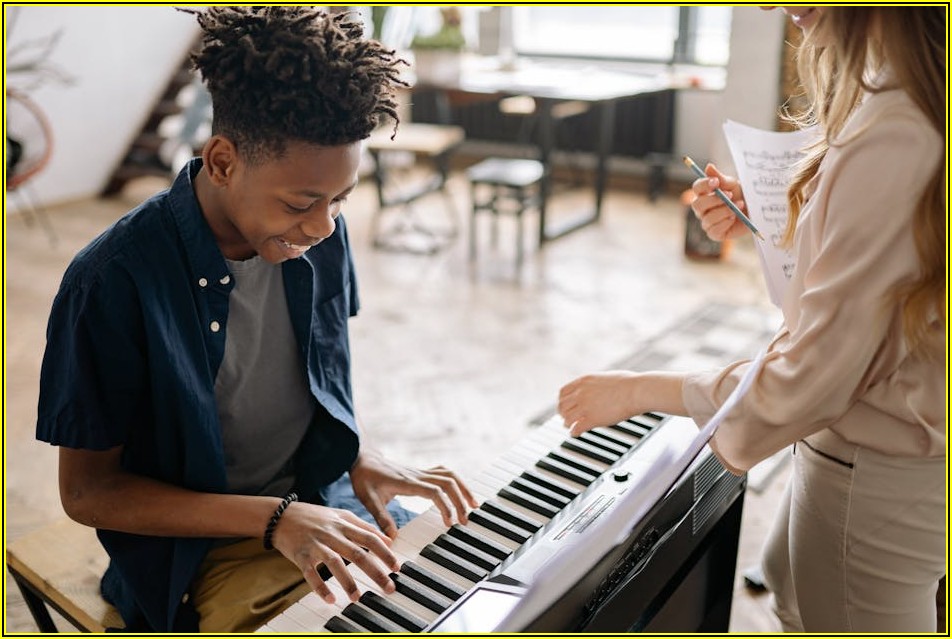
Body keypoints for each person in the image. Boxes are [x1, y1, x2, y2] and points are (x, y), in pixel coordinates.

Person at [36, 6, 477, 633]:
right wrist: (272, 519)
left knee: (459, 592)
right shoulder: (111, 280)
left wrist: (358, 454)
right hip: (199, 549)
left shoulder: (320, 233)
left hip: (319, 499)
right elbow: (87, 495)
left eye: (341, 199)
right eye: (302, 202)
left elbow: (305, 388)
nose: (324, 226)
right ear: (221, 162)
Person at [558, 6, 944, 633]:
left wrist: (640, 389)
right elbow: (885, 281)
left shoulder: (898, 130)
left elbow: (809, 378)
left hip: (878, 467)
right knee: (791, 588)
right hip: (867, 451)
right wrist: (780, 224)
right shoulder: (905, 94)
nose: (779, 11)